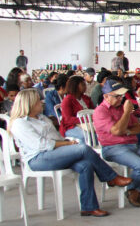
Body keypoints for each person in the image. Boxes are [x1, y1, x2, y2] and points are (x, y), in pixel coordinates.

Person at [10, 89, 132, 217]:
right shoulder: (20, 123)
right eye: (37, 101)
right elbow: (42, 145)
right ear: (29, 104)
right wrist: (67, 144)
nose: (42, 103)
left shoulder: (42, 118)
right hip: (38, 158)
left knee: (86, 165)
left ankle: (89, 207)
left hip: (56, 153)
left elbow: (56, 137)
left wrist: (66, 142)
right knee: (83, 148)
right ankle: (111, 177)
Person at [94, 81, 140, 207]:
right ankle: (133, 190)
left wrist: (126, 131)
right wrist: (127, 113)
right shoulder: (101, 111)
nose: (120, 99)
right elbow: (116, 131)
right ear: (106, 96)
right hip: (113, 148)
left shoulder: (122, 108)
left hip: (131, 145)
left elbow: (138, 128)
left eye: (121, 96)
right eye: (116, 96)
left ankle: (135, 190)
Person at [59, 76, 94, 142]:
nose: (85, 86)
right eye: (83, 84)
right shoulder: (67, 100)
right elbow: (68, 120)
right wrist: (88, 119)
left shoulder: (86, 98)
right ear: (75, 86)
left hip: (87, 124)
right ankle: (84, 151)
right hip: (71, 127)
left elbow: (93, 111)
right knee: (86, 135)